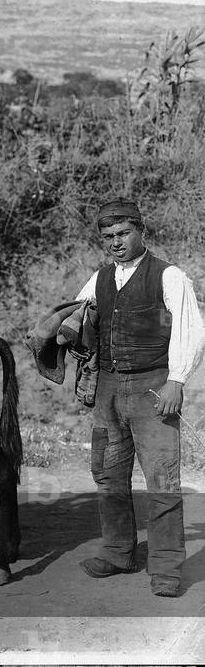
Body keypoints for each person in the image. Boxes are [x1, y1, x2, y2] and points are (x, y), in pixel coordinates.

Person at [73, 199, 205, 597]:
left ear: (141, 231)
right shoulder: (99, 279)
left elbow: (190, 331)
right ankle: (117, 553)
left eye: (123, 233)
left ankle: (165, 566)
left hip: (153, 387)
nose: (115, 242)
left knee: (162, 479)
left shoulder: (170, 276)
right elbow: (77, 318)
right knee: (109, 476)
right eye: (108, 237)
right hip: (109, 391)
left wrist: (176, 382)